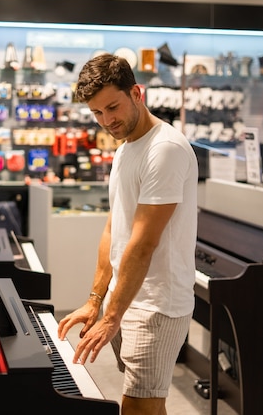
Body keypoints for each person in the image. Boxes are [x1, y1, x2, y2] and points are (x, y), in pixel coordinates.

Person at [57, 53, 199, 415]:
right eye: (97, 113)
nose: (107, 120)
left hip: (156, 304)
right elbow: (114, 228)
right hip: (130, 296)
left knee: (138, 406)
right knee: (146, 406)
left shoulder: (164, 149)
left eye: (113, 107)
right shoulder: (126, 147)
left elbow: (143, 244)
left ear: (137, 92)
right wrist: (95, 299)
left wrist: (110, 316)